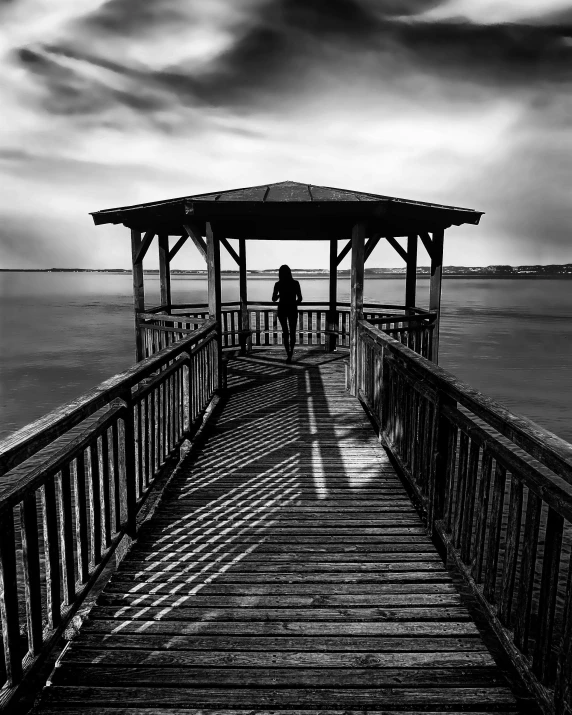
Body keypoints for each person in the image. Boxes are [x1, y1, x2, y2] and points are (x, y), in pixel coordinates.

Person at [272, 265, 302, 363]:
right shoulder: (295, 283)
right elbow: (300, 298)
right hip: (292, 309)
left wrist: (281, 294)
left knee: (285, 332)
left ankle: (288, 353)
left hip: (282, 310)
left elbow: (273, 299)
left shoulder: (278, 284)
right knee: (292, 332)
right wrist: (293, 303)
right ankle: (291, 353)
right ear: (290, 273)